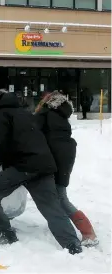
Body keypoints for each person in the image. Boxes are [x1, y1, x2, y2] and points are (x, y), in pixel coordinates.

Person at [0, 89, 82, 254]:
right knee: (52, 208)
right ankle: (73, 246)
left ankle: (6, 233)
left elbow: (4, 148)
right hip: (44, 165)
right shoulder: (26, 114)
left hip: (23, 166)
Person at [34, 91, 98, 246]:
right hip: (65, 155)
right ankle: (86, 231)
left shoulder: (46, 114)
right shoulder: (60, 114)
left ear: (48, 101)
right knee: (60, 195)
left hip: (53, 155)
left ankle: (88, 233)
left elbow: (33, 134)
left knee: (60, 198)